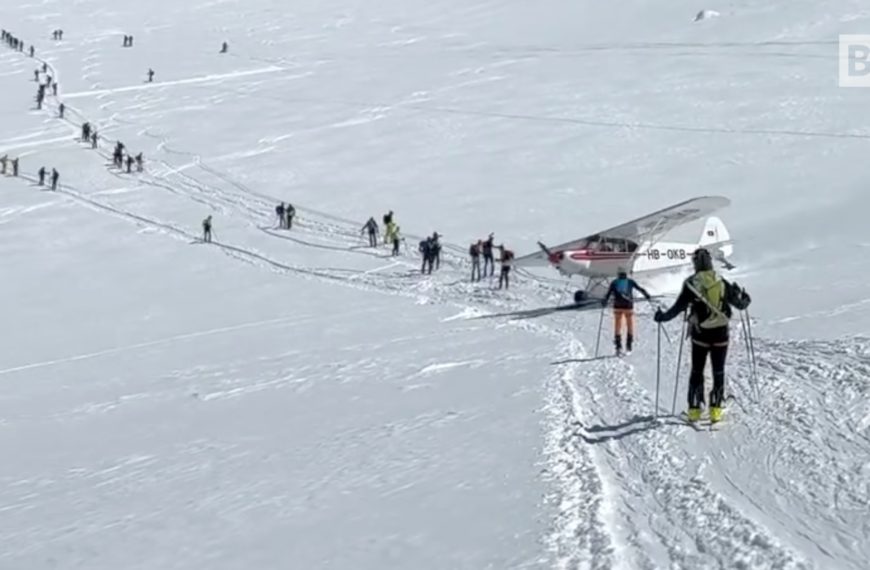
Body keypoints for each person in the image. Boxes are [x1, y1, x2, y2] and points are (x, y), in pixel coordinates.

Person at [654, 248, 751, 423]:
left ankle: (694, 410)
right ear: (710, 263)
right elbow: (740, 305)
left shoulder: (691, 283)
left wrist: (662, 317)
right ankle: (715, 410)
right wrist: (745, 298)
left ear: (695, 264)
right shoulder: (721, 281)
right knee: (718, 370)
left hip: (700, 335)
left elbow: (677, 308)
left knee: (697, 370)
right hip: (721, 334)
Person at [601, 268, 652, 355]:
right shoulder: (630, 282)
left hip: (617, 307)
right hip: (628, 306)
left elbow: (608, 294)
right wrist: (647, 295)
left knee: (618, 326)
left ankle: (618, 346)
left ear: (618, 274)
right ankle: (629, 345)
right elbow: (640, 289)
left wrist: (604, 301)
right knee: (630, 325)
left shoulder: (614, 282)